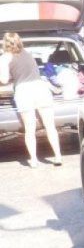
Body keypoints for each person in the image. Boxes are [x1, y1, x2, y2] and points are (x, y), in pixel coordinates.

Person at [0, 32, 62, 167]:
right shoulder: (27, 53)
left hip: (24, 92)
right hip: (41, 89)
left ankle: (33, 160)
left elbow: (4, 79)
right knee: (50, 126)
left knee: (30, 129)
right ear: (19, 41)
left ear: (4, 43)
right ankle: (57, 157)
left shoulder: (5, 58)